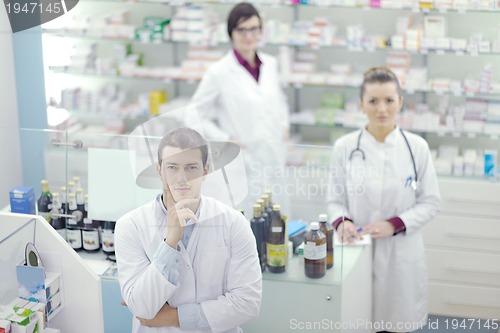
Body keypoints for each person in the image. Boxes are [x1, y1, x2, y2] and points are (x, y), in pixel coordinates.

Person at [115, 127, 262, 333]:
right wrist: (170, 241)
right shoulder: (130, 226)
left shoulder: (234, 223)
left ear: (205, 170)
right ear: (160, 170)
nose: (181, 178)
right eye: (172, 167)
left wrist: (174, 317)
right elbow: (142, 307)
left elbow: (247, 303)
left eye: (191, 167)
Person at [328, 66, 441, 333]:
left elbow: (431, 201)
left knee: (396, 320)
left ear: (400, 103)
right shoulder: (344, 147)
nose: (382, 109)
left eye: (389, 100)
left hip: (400, 254)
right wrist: (342, 222)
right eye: (373, 101)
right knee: (355, 321)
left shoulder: (416, 148)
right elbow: (335, 200)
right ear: (361, 105)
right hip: (357, 250)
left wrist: (395, 223)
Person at [186, 2, 290, 211]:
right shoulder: (219, 72)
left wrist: (284, 125)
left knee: (279, 221)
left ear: (261, 31)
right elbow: (192, 115)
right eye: (241, 30)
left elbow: (278, 99)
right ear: (231, 33)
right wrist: (226, 139)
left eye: (253, 29)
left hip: (274, 155)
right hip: (245, 162)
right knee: (249, 223)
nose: (248, 36)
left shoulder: (270, 64)